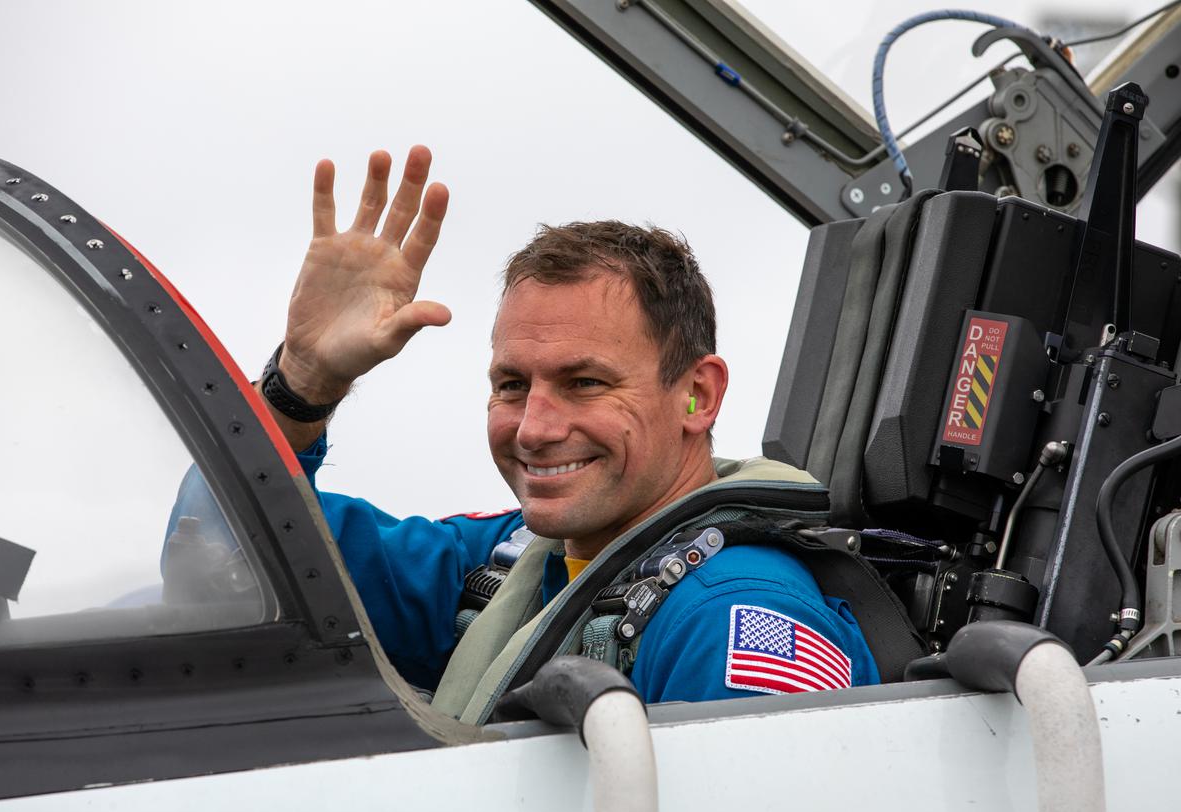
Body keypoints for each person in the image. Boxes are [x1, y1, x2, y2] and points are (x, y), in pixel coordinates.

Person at [199, 145, 879, 717]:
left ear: (696, 394)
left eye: (585, 382)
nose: (534, 428)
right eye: (511, 385)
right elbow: (212, 555)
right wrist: (305, 379)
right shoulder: (510, 560)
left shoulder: (732, 617)